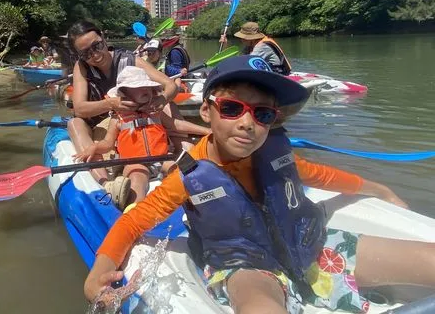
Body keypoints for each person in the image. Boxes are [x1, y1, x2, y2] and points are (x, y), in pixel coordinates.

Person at [84, 55, 434, 314]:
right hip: (244, 267)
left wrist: (378, 189)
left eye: (262, 113)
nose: (248, 123)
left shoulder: (274, 155)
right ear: (206, 112)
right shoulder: (189, 177)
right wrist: (100, 270)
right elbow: (134, 220)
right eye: (232, 108)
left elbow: (321, 175)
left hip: (311, 246)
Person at [66, 21, 178, 202]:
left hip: (136, 117)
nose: (95, 55)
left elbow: (170, 85)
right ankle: (106, 184)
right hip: (103, 123)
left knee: (168, 105)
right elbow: (79, 108)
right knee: (74, 123)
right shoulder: (82, 67)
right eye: (86, 53)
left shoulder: (130, 60)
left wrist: (162, 99)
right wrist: (112, 104)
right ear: (79, 56)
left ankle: (181, 150)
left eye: (97, 46)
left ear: (103, 37)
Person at [73, 66, 211, 209]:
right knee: (138, 179)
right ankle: (134, 209)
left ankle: (193, 203)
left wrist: (207, 131)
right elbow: (108, 143)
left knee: (177, 170)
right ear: (125, 93)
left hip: (162, 159)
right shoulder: (118, 118)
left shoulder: (155, 112)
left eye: (148, 86)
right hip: (134, 162)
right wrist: (94, 147)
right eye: (139, 87)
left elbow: (176, 125)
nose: (146, 89)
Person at [221, 21, 292, 75]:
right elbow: (239, 60)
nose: (241, 39)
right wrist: (225, 45)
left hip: (279, 74)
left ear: (251, 38)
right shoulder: (250, 45)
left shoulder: (262, 46)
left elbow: (246, 64)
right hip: (268, 73)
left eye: (243, 37)